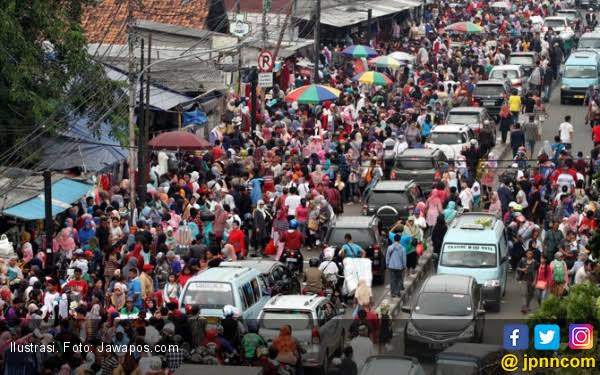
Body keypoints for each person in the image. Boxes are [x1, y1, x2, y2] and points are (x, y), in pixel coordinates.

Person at [517, 249, 538, 314]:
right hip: (524, 279)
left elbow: (536, 272)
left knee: (531, 294)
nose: (529, 255)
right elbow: (517, 268)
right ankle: (524, 307)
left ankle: (527, 305)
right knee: (524, 293)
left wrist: (535, 280)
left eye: (531, 254)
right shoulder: (522, 260)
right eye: (528, 253)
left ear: (532, 255)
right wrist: (522, 269)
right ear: (526, 254)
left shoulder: (535, 262)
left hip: (531, 280)